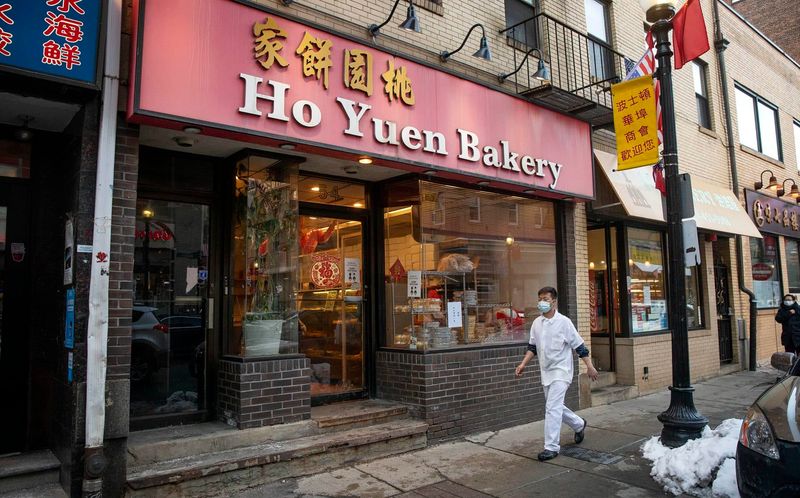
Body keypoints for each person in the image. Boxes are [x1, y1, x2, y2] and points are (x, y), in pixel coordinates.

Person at [515, 286, 599, 461]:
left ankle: (551, 447)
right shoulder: (537, 324)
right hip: (546, 372)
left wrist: (589, 367)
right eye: (540, 299)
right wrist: (523, 364)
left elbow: (580, 347)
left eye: (545, 299)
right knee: (555, 407)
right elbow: (532, 347)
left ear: (554, 301)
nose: (542, 302)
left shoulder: (564, 322)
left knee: (552, 408)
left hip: (562, 371)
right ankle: (579, 424)